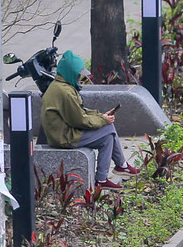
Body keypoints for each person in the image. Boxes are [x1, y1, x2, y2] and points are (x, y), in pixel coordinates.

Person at [40, 51, 140, 190]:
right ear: (70, 72)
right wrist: (102, 120)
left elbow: (80, 112)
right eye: (78, 74)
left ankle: (109, 174)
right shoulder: (65, 92)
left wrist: (101, 117)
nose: (80, 77)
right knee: (108, 130)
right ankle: (116, 169)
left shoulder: (61, 87)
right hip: (64, 137)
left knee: (107, 135)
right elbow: (79, 120)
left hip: (64, 132)